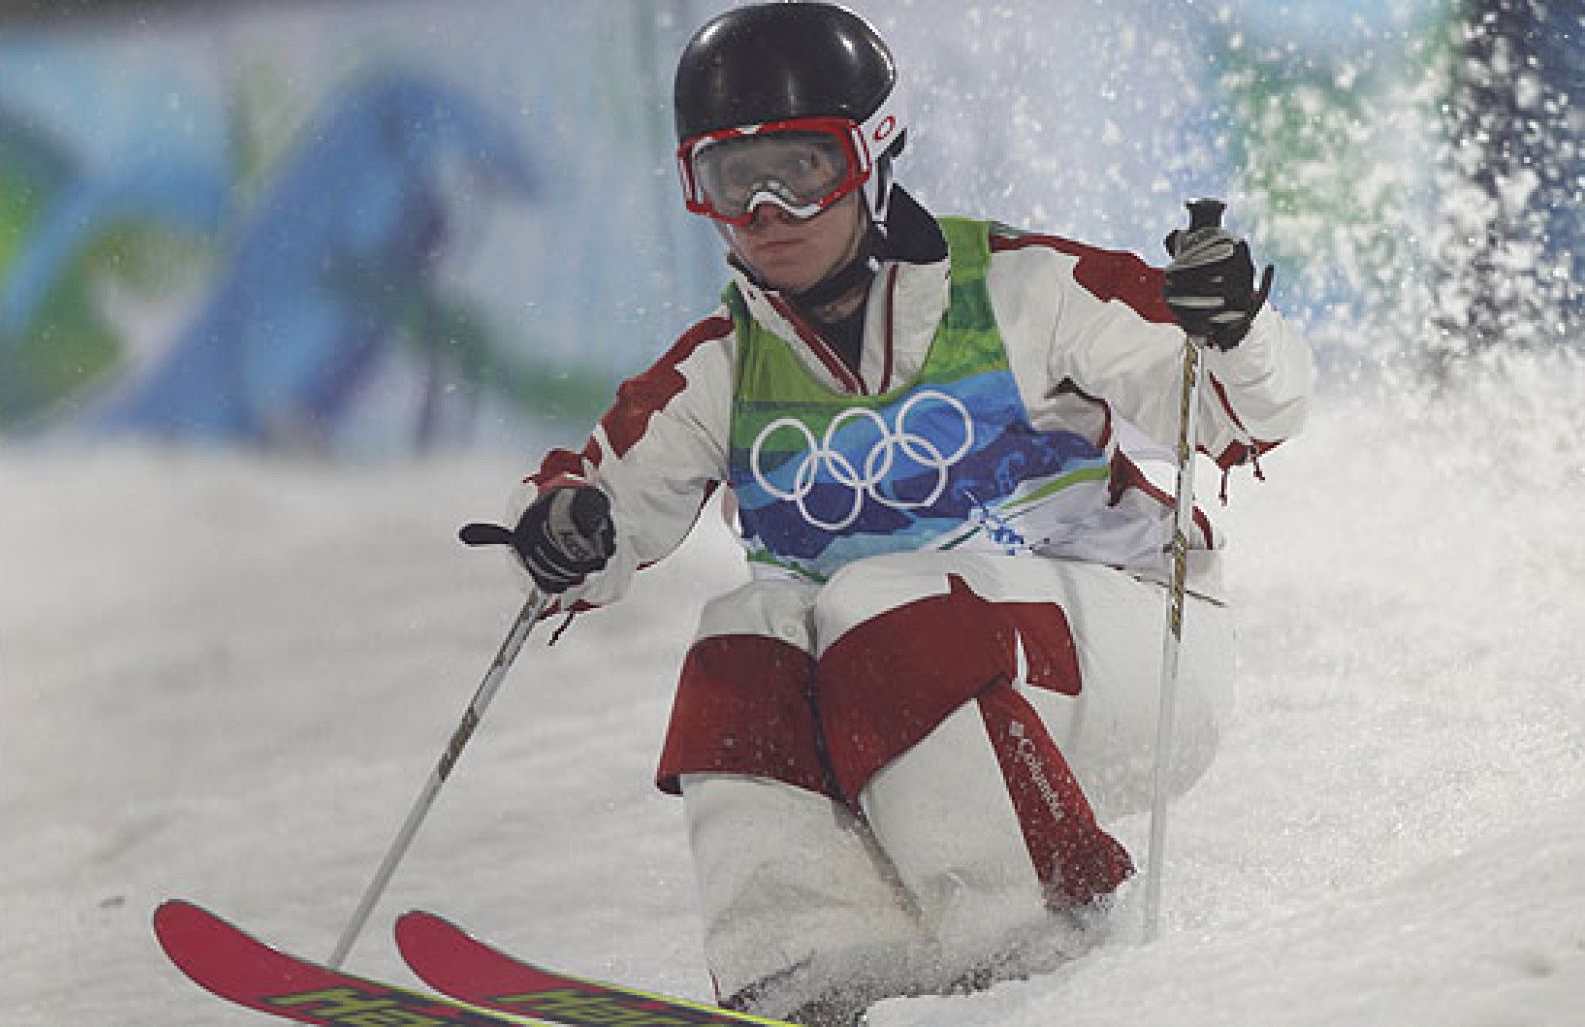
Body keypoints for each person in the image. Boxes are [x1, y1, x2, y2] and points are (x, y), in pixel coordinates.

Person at [497, 3, 1312, 1023]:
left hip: (1125, 657)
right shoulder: (721, 366)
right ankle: (815, 967)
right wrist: (564, 535)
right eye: (724, 179)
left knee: (880, 601)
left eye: (801, 169)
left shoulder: (1017, 287)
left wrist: (1234, 331)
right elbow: (598, 502)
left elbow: (1247, 409)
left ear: (873, 158)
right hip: (901, 705)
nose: (764, 211)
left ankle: (1038, 937)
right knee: (741, 639)